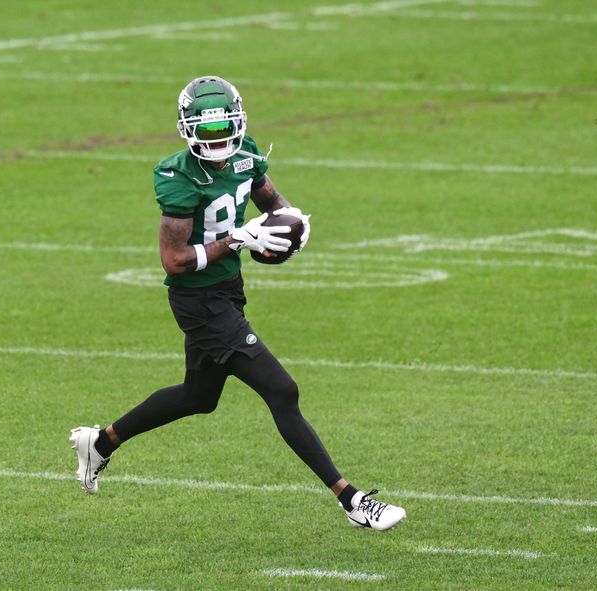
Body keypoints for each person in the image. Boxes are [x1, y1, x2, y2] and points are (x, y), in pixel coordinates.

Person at [70, 75, 406, 531]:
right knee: (282, 391)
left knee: (198, 397)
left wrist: (292, 224)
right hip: (198, 302)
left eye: (223, 128)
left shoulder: (246, 153)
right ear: (188, 130)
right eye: (206, 132)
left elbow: (273, 203)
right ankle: (352, 501)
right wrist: (235, 240)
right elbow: (174, 261)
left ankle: (101, 443)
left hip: (228, 292)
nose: (217, 140)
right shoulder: (177, 176)